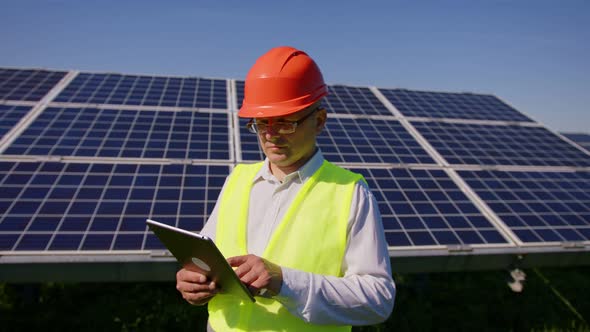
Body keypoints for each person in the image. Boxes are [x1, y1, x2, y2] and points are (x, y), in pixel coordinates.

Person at [176, 46, 395, 331]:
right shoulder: (238, 180)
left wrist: (284, 281)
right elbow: (206, 260)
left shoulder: (350, 193)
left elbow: (378, 300)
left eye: (285, 122)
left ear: (319, 121)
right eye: (262, 122)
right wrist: (193, 281)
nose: (271, 134)